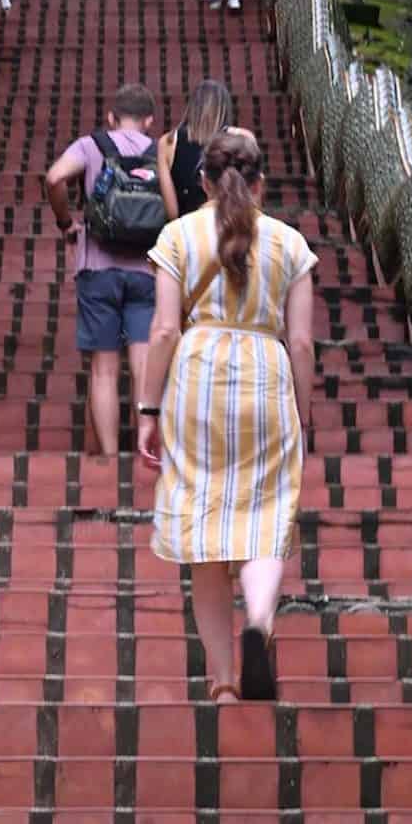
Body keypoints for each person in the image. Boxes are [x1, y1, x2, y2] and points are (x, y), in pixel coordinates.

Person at [137, 129, 317, 703]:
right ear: (261, 181)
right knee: (266, 517)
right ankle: (259, 618)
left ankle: (221, 683)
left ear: (203, 182)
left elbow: (164, 329)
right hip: (266, 376)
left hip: (198, 378)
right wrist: (302, 413)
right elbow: (304, 343)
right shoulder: (289, 244)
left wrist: (147, 406)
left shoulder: (178, 235)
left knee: (204, 532)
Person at [45, 82, 165, 456]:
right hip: (148, 268)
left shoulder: (92, 145)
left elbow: (54, 178)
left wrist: (66, 222)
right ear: (149, 120)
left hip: (97, 267)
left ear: (111, 118)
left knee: (104, 370)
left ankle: (111, 459)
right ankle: (147, 445)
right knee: (144, 364)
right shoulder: (162, 150)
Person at [158, 77, 234, 221]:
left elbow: (172, 212)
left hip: (186, 230)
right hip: (227, 228)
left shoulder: (167, 142)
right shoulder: (238, 138)